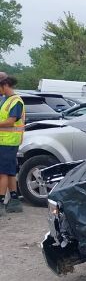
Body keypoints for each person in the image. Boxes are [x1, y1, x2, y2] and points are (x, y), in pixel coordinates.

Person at [0, 73, 25, 215]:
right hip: (5, 140)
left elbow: (11, 121)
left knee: (2, 172)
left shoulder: (15, 101)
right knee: (9, 171)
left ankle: (1, 203)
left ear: (4, 85)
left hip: (8, 141)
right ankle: (14, 201)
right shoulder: (6, 99)